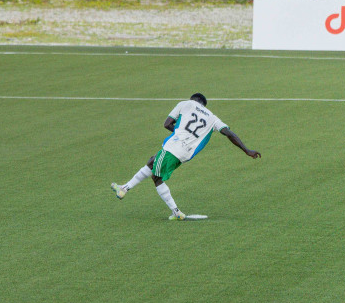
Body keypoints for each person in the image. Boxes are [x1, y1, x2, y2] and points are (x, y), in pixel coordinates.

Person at [111, 93, 261, 219]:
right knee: (153, 162)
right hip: (187, 153)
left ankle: (174, 211)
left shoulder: (186, 104)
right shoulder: (213, 118)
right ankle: (125, 188)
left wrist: (179, 132)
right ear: (204, 105)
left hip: (174, 145)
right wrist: (247, 150)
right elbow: (229, 133)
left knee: (156, 176)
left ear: (193, 99)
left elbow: (167, 124)